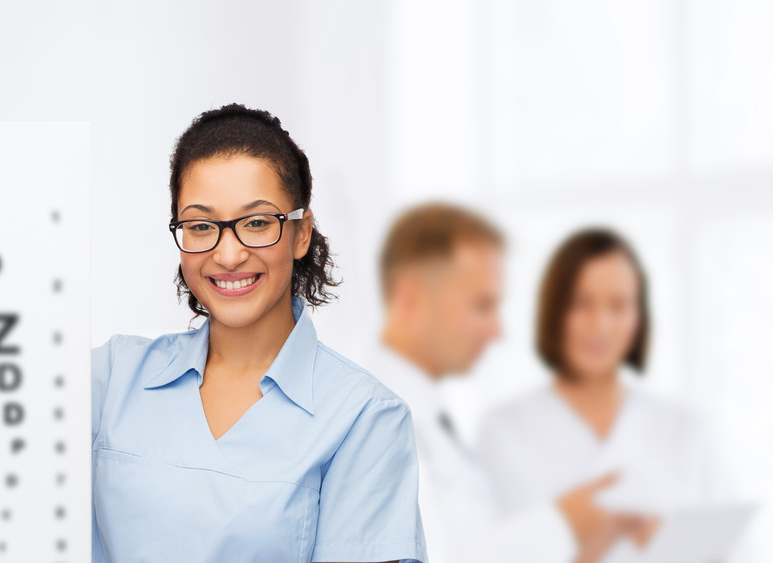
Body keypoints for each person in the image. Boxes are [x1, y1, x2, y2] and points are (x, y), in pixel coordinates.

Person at [90, 104, 427, 563]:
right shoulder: (111, 379)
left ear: (301, 233)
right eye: (201, 225)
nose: (228, 255)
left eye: (257, 223)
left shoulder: (365, 418)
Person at [358, 204, 651, 563]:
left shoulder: (430, 420)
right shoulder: (367, 425)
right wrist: (563, 525)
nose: (497, 331)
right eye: (482, 306)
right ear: (410, 298)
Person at [476, 228, 743, 561]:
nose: (600, 324)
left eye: (618, 305)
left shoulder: (688, 429)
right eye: (581, 304)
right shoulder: (503, 431)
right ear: (554, 310)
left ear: (639, 316)